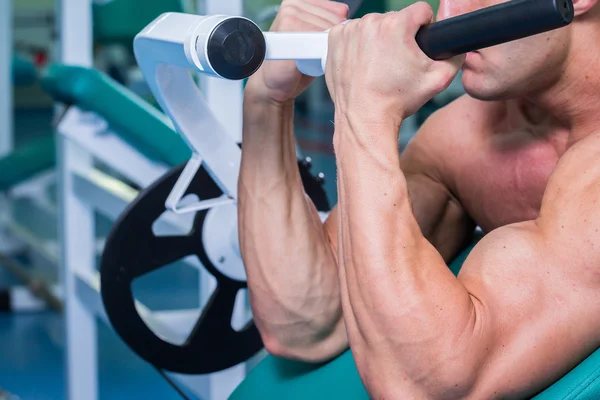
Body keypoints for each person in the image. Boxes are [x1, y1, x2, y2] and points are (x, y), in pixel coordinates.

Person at [237, 0, 600, 397]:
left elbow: (425, 386)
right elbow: (305, 321)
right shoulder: (468, 134)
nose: (446, 14)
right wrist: (267, 102)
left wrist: (367, 108)